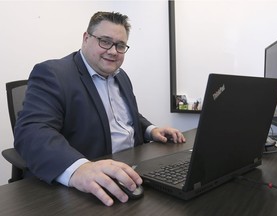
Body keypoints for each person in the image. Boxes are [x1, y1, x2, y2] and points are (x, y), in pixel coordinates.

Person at [14, 11, 186, 206]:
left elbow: (126, 116)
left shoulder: (121, 76)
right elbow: (31, 131)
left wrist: (150, 130)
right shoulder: (53, 74)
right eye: (105, 41)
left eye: (120, 45)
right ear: (86, 38)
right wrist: (80, 168)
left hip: (133, 170)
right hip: (88, 187)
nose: (113, 51)